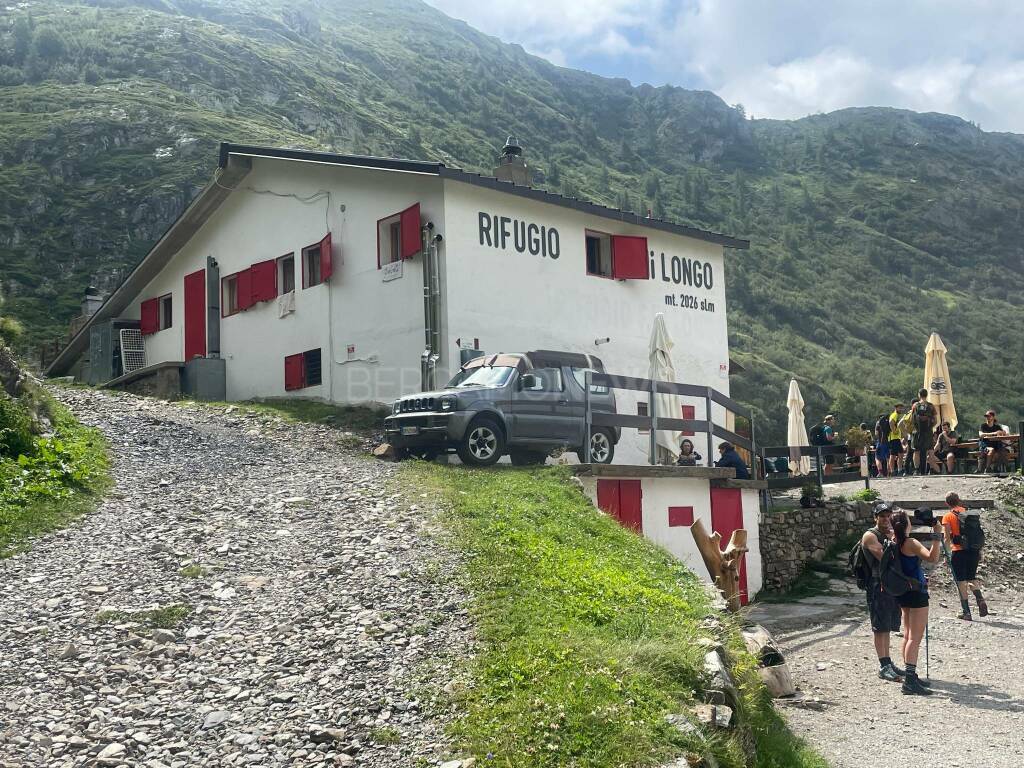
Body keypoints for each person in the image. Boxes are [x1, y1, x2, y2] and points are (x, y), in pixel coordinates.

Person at [891, 509, 942, 696]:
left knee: (907, 635)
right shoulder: (910, 542)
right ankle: (910, 681)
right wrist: (937, 537)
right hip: (917, 592)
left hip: (903, 591)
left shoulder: (894, 541)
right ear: (906, 524)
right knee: (915, 637)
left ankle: (909, 675)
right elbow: (933, 558)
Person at [859, 503, 904, 682]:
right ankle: (883, 665)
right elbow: (886, 558)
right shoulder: (870, 536)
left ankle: (887, 662)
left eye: (888, 516)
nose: (886, 519)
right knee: (880, 627)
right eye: (882, 516)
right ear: (875, 518)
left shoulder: (890, 535)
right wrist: (896, 541)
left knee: (887, 626)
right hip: (877, 586)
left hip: (890, 586)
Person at [941, 491, 988, 620]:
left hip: (958, 551)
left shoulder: (947, 516)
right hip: (973, 551)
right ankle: (980, 598)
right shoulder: (968, 513)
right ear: (959, 500)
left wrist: (945, 553)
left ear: (946, 503)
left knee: (961, 582)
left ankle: (966, 612)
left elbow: (946, 537)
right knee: (971, 578)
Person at [910, 389, 938, 475]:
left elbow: (911, 419)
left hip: (917, 432)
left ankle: (916, 469)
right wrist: (930, 427)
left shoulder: (915, 405)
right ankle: (932, 469)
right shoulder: (931, 406)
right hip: (928, 432)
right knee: (930, 450)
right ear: (927, 395)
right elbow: (936, 420)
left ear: (919, 395)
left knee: (916, 450)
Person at [898, 399, 917, 476]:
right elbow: (899, 424)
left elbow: (899, 424)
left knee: (911, 453)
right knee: (912, 453)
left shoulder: (908, 413)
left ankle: (908, 470)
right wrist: (906, 434)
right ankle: (908, 470)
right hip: (914, 436)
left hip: (910, 436)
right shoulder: (912, 413)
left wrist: (906, 434)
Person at [887, 403, 905, 476]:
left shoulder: (896, 415)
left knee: (898, 454)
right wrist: (894, 431)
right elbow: (891, 422)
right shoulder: (894, 415)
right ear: (896, 408)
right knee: (894, 455)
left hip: (896, 438)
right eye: (900, 408)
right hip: (893, 438)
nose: (901, 409)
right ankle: (893, 471)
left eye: (902, 408)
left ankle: (897, 470)